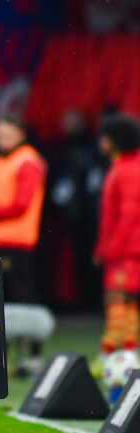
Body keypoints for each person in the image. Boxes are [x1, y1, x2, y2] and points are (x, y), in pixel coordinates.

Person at [0, 114, 48, 377]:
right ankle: (0, 357)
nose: (2, 139)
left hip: (17, 242)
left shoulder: (27, 160)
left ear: (21, 134)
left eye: (7, 134)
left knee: (23, 297)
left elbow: (21, 204)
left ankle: (33, 356)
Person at [94, 114, 140, 360]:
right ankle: (123, 349)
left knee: (120, 297)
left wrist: (112, 249)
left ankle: (117, 350)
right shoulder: (122, 165)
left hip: (127, 249)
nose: (101, 140)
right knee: (123, 298)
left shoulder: (129, 169)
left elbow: (130, 214)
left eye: (105, 136)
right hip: (123, 247)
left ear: (115, 139)